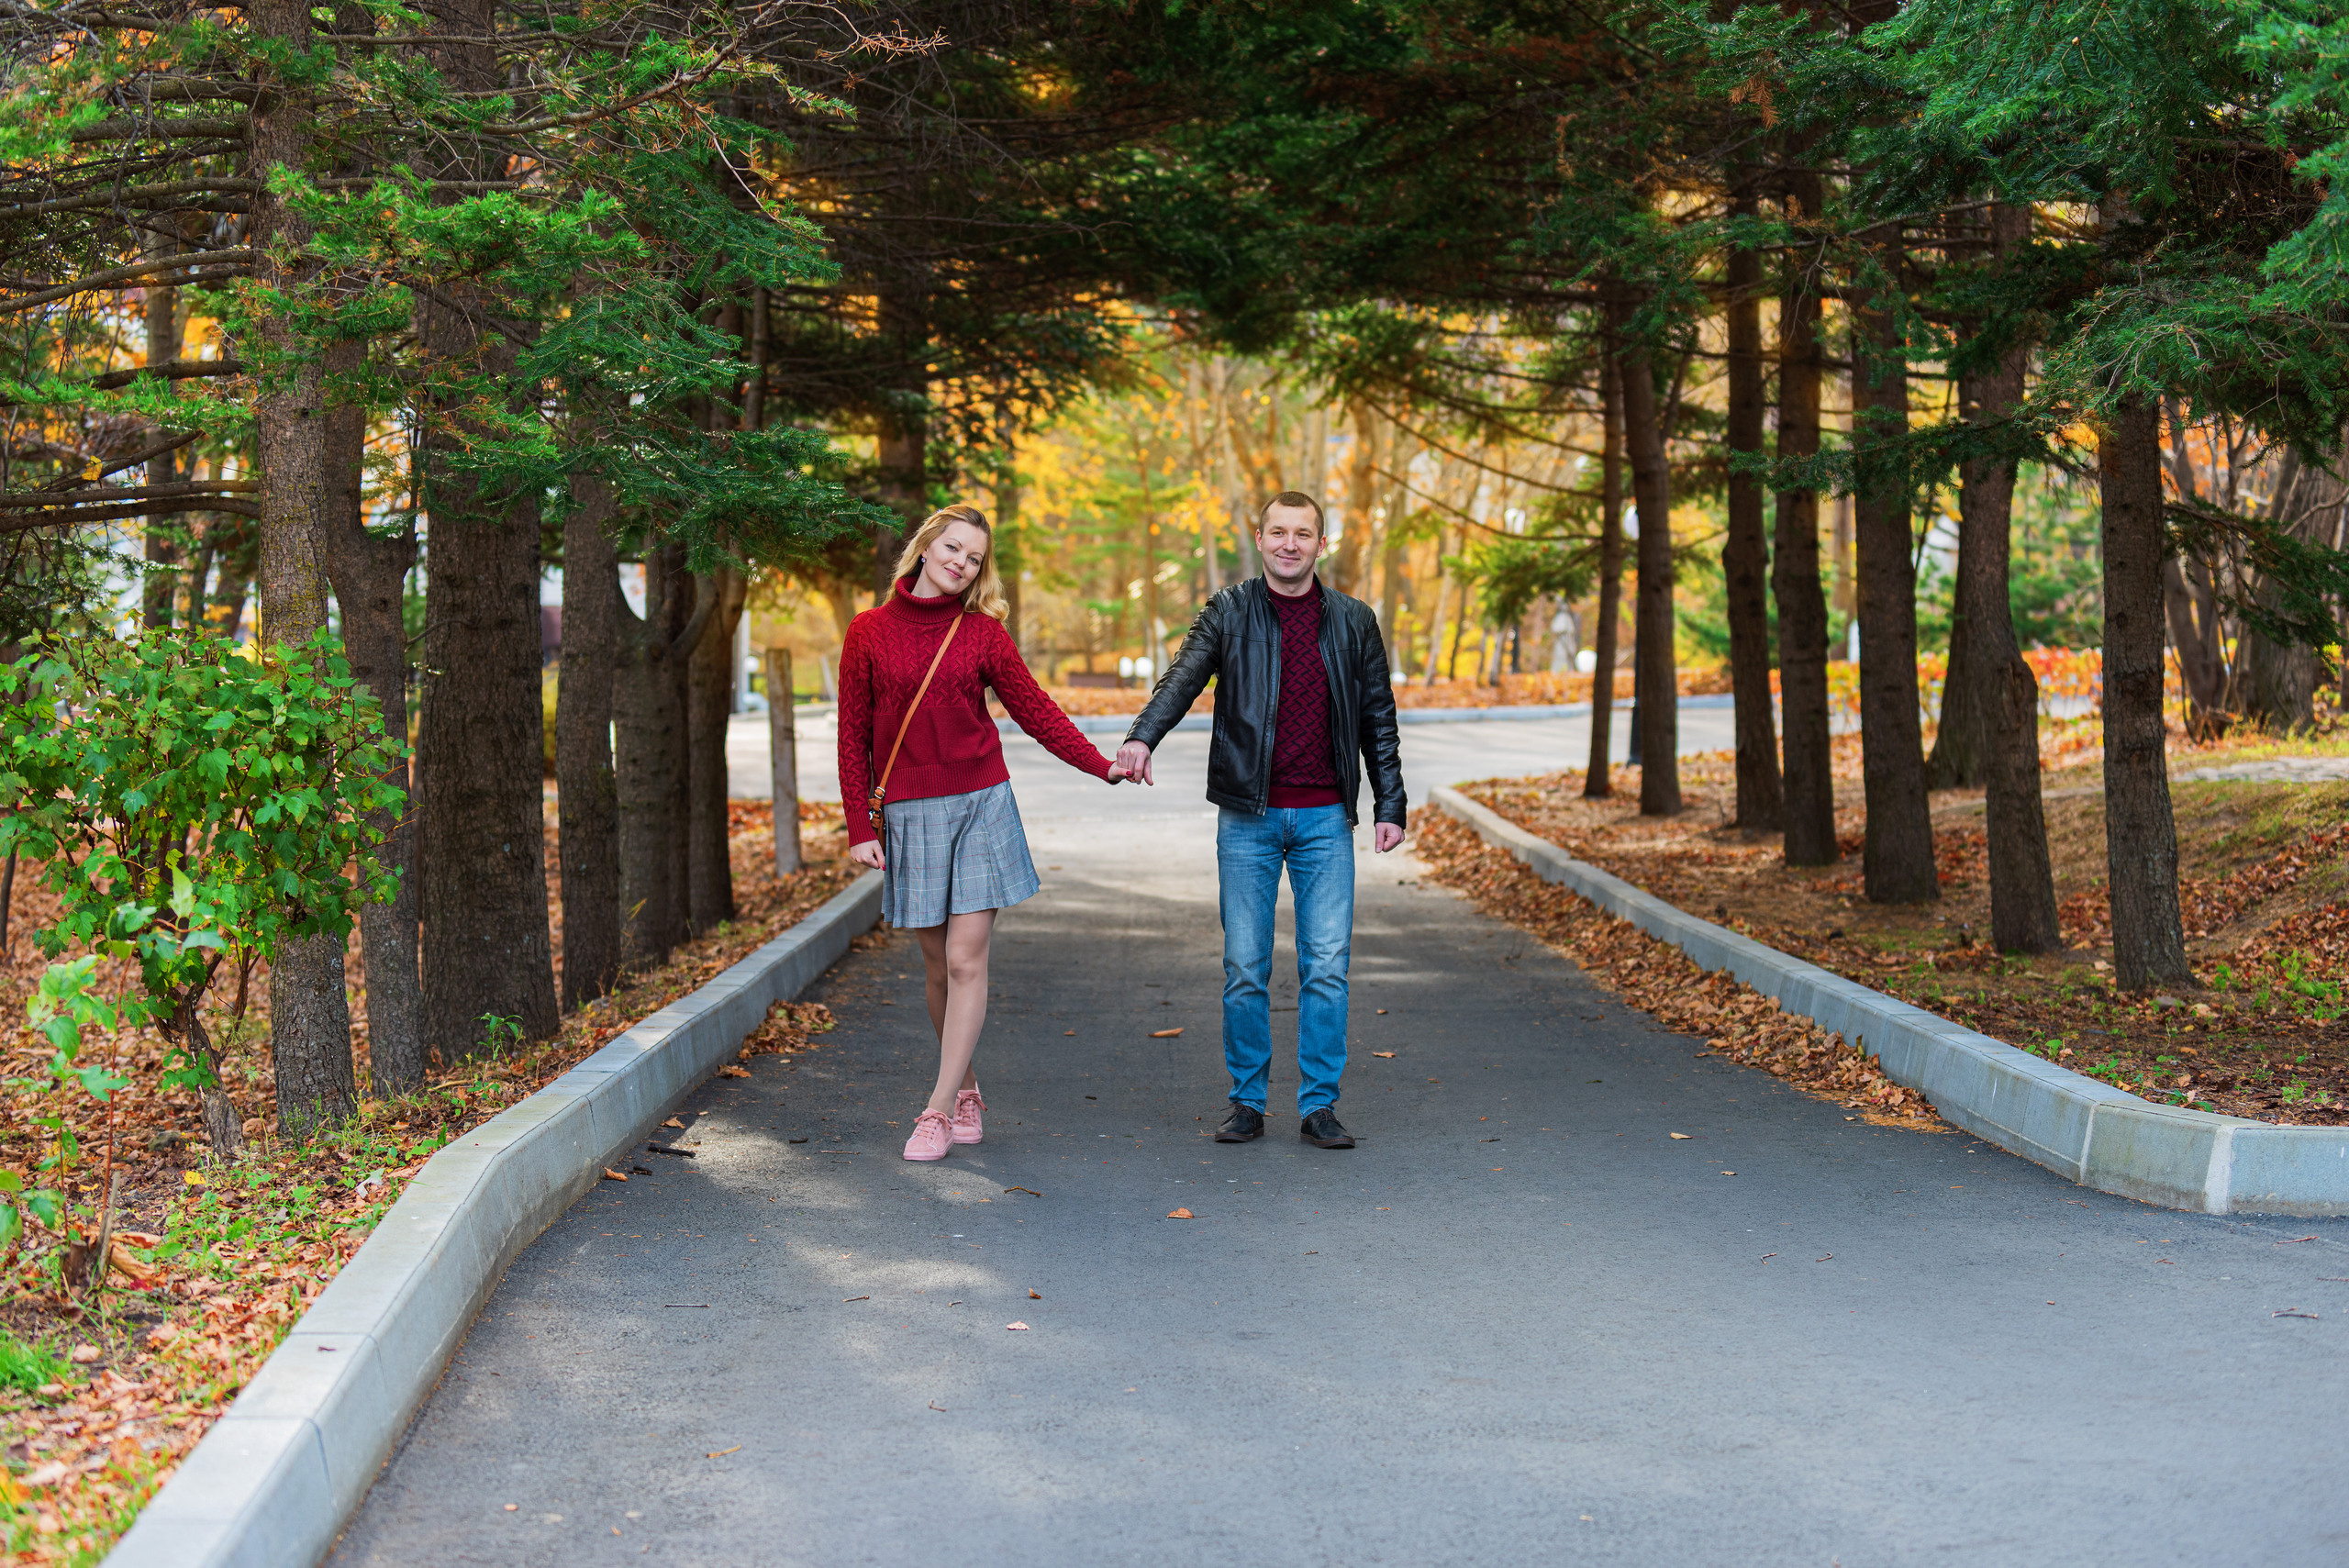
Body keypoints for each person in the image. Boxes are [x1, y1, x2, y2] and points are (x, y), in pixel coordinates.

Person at [839, 503, 1129, 1162]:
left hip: (980, 803)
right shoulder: (869, 632)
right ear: (925, 546)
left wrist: (1101, 765)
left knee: (968, 958)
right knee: (937, 965)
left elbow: (1034, 709)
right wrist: (862, 823)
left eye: (973, 557)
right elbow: (852, 735)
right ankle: (965, 1085)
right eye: (952, 548)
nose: (961, 562)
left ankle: (936, 1110)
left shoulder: (982, 634)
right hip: (910, 812)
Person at [1116, 491, 1406, 1150]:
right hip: (1247, 819)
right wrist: (1142, 738)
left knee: (1326, 966)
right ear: (1259, 536)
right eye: (1279, 531)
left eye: (1303, 533)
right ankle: (1247, 1100)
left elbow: (1378, 719)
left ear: (1319, 544)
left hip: (1326, 821)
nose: (1289, 544)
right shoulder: (1228, 610)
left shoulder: (1355, 620)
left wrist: (1391, 803)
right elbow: (1181, 679)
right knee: (1245, 965)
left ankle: (1319, 1105)